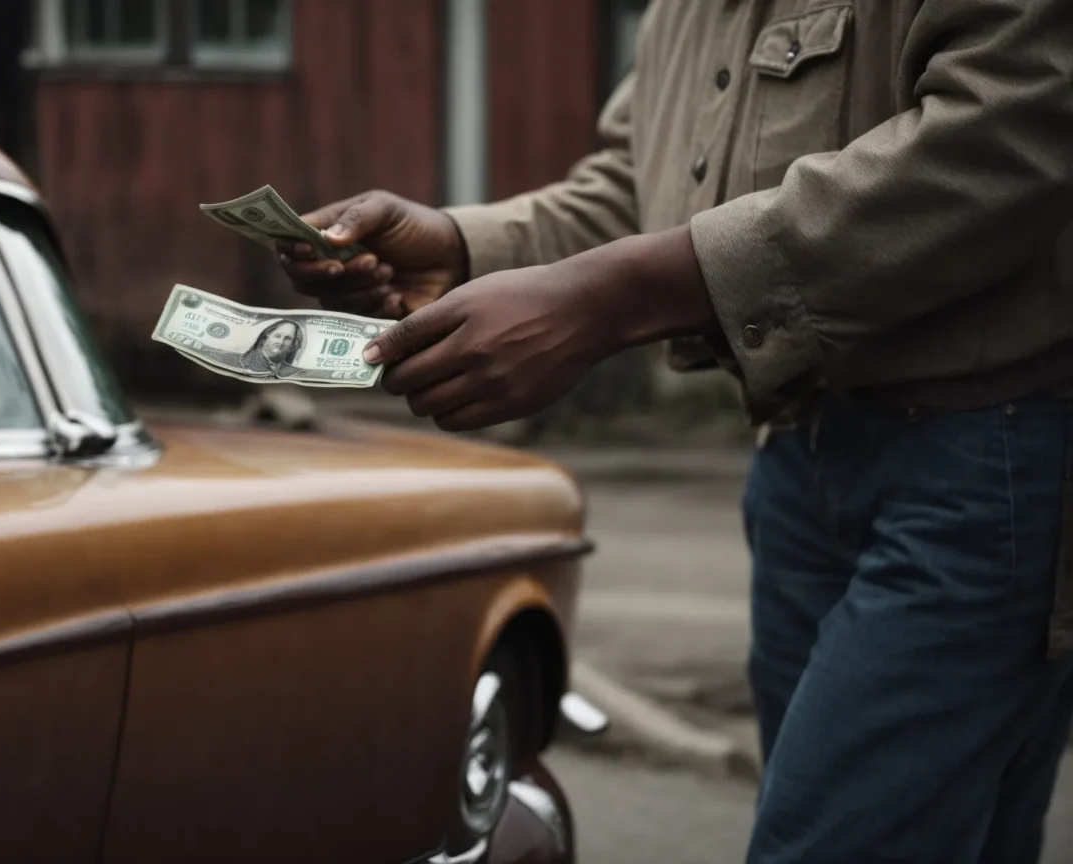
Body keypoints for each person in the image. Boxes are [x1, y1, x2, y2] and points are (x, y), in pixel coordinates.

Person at [277, 3, 1073, 863]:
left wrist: (607, 300)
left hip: (983, 460)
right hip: (796, 455)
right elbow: (642, 182)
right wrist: (464, 246)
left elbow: (1006, 138)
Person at [211, 319, 305, 379]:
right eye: (277, 336)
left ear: (293, 346)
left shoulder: (295, 373)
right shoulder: (234, 359)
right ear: (265, 337)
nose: (281, 342)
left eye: (288, 339)